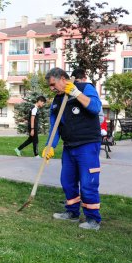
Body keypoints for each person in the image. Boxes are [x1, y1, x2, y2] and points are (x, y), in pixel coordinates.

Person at [42, 67, 103, 230]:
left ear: (63, 78)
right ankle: (72, 212)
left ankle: (93, 219)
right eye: (49, 86)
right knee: (67, 181)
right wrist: (50, 146)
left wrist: (76, 94)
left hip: (88, 144)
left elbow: (96, 107)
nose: (51, 88)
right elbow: (54, 127)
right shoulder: (56, 102)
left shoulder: (85, 88)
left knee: (87, 183)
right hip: (69, 146)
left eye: (53, 84)